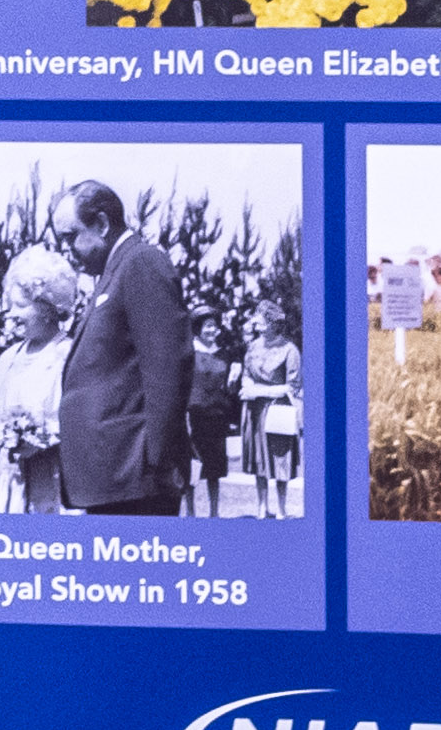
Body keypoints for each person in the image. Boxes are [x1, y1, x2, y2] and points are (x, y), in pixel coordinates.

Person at [54, 182, 194, 515]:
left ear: (101, 224)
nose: (65, 249)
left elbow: (168, 368)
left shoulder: (141, 263)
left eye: (71, 236)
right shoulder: (113, 272)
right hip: (113, 477)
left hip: (135, 478)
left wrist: (156, 463)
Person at [0, 249, 80, 513]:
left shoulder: (69, 355)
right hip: (8, 483)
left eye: (20, 307)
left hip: (52, 484)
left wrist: (42, 439)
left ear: (47, 308)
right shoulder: (8, 358)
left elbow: (81, 425)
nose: (10, 314)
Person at [237, 316, 303, 519]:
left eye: (262, 321)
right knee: (260, 460)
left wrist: (258, 392)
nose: (257, 325)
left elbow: (292, 386)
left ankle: (282, 508)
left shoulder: (289, 349)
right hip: (255, 411)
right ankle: (262, 506)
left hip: (278, 410)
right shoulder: (253, 347)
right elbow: (247, 374)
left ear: (274, 324)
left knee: (280, 458)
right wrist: (247, 386)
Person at [185, 329, 241, 515]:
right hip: (194, 414)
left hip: (217, 415)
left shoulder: (224, 354)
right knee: (192, 464)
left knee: (215, 467)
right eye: (206, 325)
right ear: (198, 329)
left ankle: (214, 513)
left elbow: (230, 390)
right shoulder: (189, 352)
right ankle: (191, 513)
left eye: (214, 325)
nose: (211, 330)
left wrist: (233, 382)